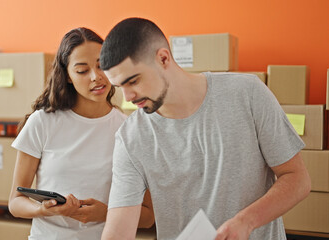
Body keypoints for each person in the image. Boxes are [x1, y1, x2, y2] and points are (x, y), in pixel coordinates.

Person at [99, 18, 311, 240]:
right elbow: (118, 229)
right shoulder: (130, 138)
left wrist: (246, 222)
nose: (128, 97)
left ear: (163, 58)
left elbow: (297, 179)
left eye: (133, 81)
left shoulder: (247, 93)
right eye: (119, 86)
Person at [8, 27, 154, 240]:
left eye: (101, 65)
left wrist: (106, 213)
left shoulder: (129, 129)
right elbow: (15, 202)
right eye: (82, 70)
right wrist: (44, 210)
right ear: (67, 76)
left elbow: (148, 216)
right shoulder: (43, 122)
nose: (96, 77)